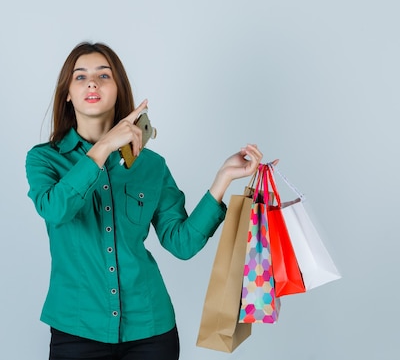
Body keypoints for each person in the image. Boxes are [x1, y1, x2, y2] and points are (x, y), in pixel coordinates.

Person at [25, 42, 265, 360]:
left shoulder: (151, 166)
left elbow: (181, 243)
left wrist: (222, 180)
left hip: (151, 332)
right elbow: (55, 209)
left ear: (118, 89)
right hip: (76, 330)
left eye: (103, 75)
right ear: (67, 93)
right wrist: (104, 148)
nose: (92, 83)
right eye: (80, 77)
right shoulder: (44, 159)